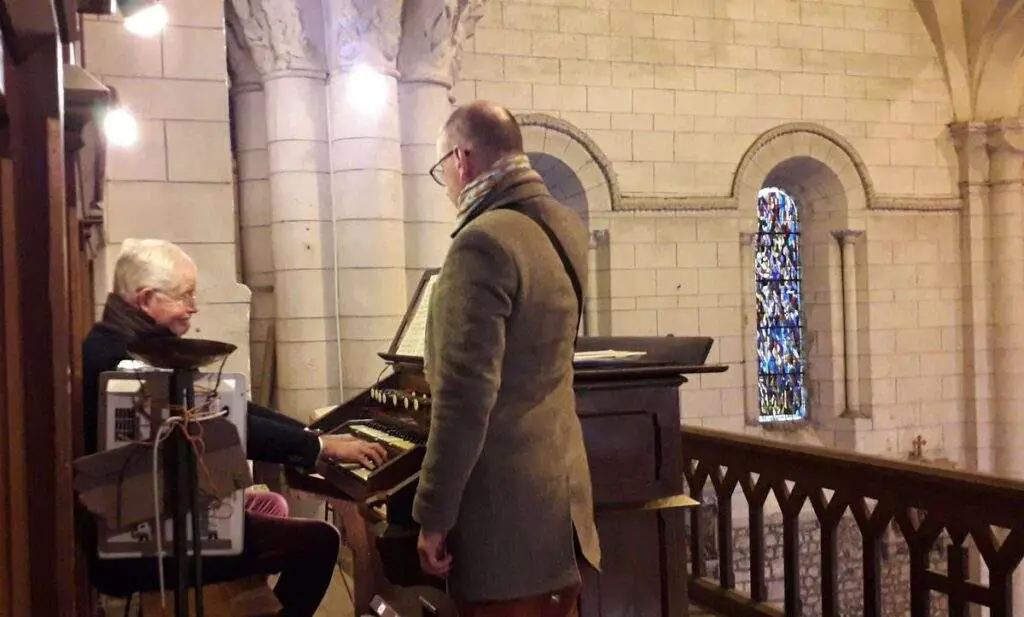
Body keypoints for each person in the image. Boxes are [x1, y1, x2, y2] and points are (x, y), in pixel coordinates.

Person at [81, 238, 387, 617]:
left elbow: (226, 405)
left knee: (272, 508)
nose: (193, 308)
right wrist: (319, 450)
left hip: (158, 523)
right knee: (319, 542)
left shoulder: (122, 341)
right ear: (146, 300)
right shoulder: (121, 360)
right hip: (140, 548)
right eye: (185, 296)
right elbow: (219, 422)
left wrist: (312, 438)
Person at [413, 101, 601, 616]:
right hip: (562, 499)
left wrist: (433, 515)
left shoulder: (481, 243)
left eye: (442, 171)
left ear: (462, 159)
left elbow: (465, 400)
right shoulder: (564, 225)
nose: (447, 185)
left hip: (504, 519)